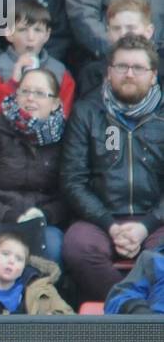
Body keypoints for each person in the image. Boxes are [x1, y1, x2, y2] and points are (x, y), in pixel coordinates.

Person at [61, 34, 164, 302]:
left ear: (153, 75)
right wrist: (109, 225)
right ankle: (133, 308)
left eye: (138, 68)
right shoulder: (87, 112)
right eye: (121, 67)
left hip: (156, 221)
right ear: (108, 72)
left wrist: (146, 225)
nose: (129, 74)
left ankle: (131, 309)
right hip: (100, 219)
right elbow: (73, 180)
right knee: (77, 246)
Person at [0, 69, 70, 264]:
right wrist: (12, 216)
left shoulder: (66, 135)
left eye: (39, 93)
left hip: (43, 221)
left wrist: (43, 215)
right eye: (24, 91)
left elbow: (68, 194)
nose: (30, 98)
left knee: (54, 245)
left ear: (55, 102)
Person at [0, 0, 75, 132]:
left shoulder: (60, 73)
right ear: (9, 33)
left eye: (38, 30)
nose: (30, 37)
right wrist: (12, 83)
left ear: (47, 35)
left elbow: (62, 120)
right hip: (3, 142)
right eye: (22, 30)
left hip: (46, 145)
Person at [76, 0, 161, 95]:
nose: (123, 34)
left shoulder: (162, 69)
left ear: (149, 31)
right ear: (108, 32)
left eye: (131, 28)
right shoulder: (92, 74)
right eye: (116, 28)